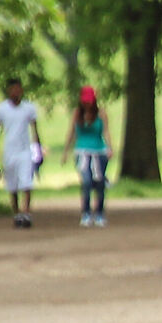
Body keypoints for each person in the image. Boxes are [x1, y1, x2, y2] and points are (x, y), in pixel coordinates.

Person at [0, 79, 40, 229]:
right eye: (12, 89)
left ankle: (26, 213)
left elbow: (35, 130)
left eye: (18, 89)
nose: (15, 92)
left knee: (26, 182)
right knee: (12, 185)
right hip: (9, 151)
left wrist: (37, 149)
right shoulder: (2, 109)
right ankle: (17, 213)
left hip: (24, 150)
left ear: (21, 90)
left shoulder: (28, 108)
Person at [65, 85, 110, 227]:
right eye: (85, 100)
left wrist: (110, 147)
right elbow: (71, 133)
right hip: (82, 152)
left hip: (99, 152)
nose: (87, 103)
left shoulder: (101, 113)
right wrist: (66, 151)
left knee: (100, 182)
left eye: (89, 100)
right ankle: (86, 213)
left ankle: (99, 213)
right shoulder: (77, 113)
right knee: (86, 182)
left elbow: (106, 131)